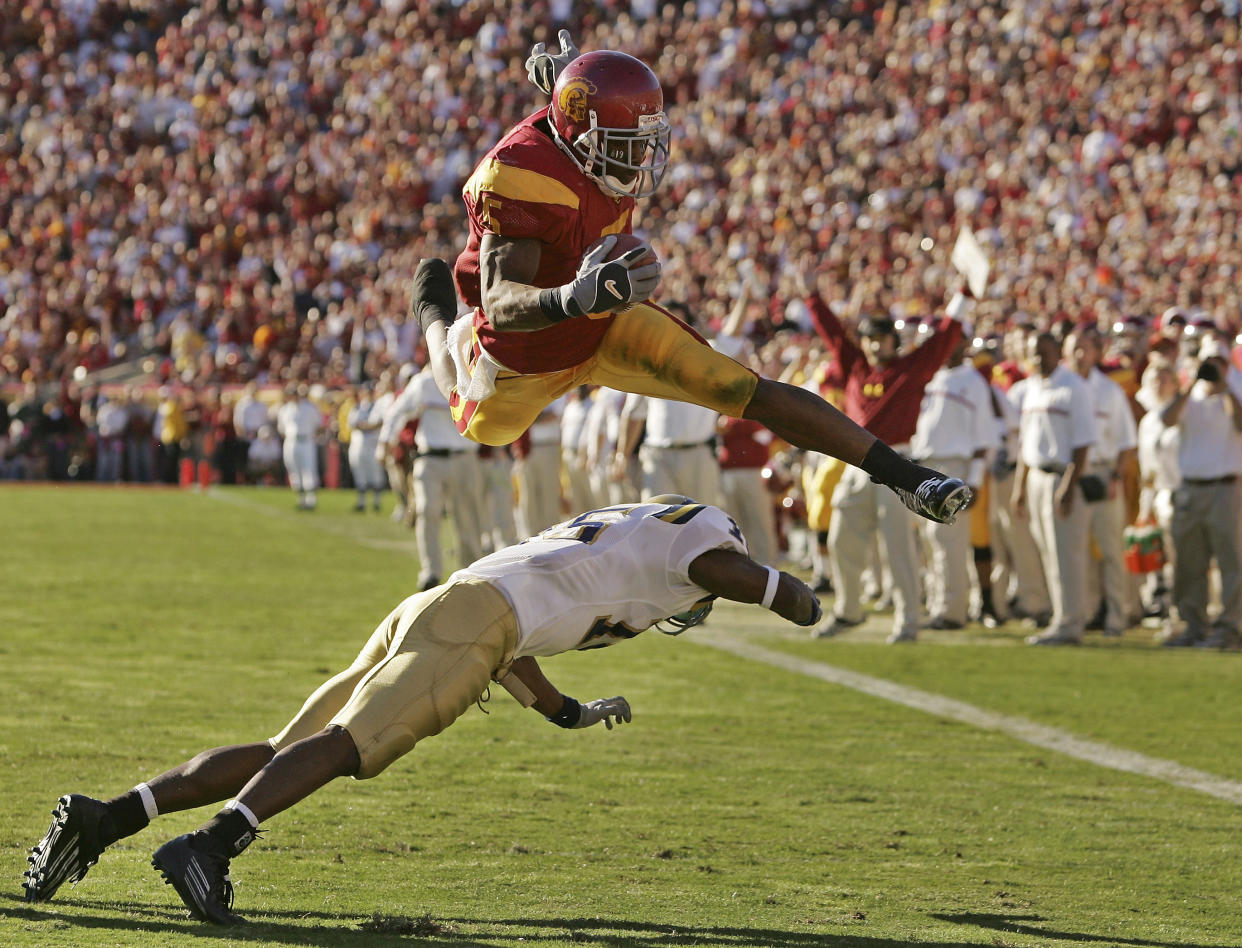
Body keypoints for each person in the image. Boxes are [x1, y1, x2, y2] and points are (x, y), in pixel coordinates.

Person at [22, 496, 821, 924]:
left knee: (285, 749)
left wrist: (565, 713)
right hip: (475, 621)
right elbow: (730, 571)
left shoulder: (616, 534)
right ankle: (210, 848)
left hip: (445, 605)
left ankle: (106, 820)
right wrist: (795, 597)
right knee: (352, 745)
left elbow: (521, 638)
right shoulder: (698, 544)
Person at [408, 44, 970, 528]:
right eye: (624, 140)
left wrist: (566, 82)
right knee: (480, 421)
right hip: (519, 358)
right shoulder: (520, 173)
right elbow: (503, 303)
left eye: (643, 138)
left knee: (740, 387)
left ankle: (908, 478)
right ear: (581, 131)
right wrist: (577, 296)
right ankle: (434, 319)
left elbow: (568, 112)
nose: (639, 155)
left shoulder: (580, 132)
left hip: (602, 322)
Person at [804, 284, 975, 643]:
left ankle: (908, 619)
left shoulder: (909, 370)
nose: (874, 344)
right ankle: (850, 611)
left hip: (896, 464)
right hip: (853, 465)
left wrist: (963, 296)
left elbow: (942, 340)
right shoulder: (855, 367)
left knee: (898, 547)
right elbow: (834, 335)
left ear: (893, 342)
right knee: (840, 540)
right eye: (868, 338)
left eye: (881, 338)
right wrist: (812, 297)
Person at [1011, 332, 1097, 645]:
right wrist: (1019, 487)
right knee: (1048, 553)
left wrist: (1069, 487)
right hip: (1035, 476)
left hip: (1062, 477)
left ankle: (1071, 623)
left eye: (1044, 353)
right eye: (1034, 353)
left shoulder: (1074, 386)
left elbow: (1084, 442)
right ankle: (1060, 618)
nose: (1038, 359)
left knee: (1066, 555)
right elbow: (1025, 443)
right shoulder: (1031, 387)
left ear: (1058, 352)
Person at [909, 332, 998, 629]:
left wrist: (973, 479)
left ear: (964, 344)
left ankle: (952, 610)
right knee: (930, 543)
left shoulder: (973, 381)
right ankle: (938, 605)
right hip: (925, 465)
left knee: (949, 542)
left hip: (954, 467)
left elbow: (984, 439)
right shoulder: (930, 376)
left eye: (953, 341)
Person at [1158, 338, 1242, 648]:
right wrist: (1191, 382)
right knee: (1187, 563)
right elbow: (1165, 419)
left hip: (1225, 488)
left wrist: (1225, 387)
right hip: (1191, 487)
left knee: (1231, 563)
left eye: (1217, 363)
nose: (1211, 368)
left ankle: (1229, 628)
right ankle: (1191, 624)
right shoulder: (1188, 398)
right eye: (1207, 362)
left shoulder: (1236, 392)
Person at [379, 362, 484, 590]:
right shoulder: (424, 382)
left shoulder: (473, 377)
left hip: (464, 457)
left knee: (466, 516)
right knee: (426, 512)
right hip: (430, 457)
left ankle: (471, 571)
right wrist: (385, 440)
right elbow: (398, 409)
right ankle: (431, 572)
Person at [1064, 328, 1139, 636]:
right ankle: (1085, 612)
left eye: (1085, 348)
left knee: (1110, 549)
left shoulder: (1110, 391)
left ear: (1097, 353)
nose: (1080, 355)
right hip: (1068, 475)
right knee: (1075, 550)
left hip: (1102, 472)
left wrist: (1116, 477)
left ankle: (1117, 617)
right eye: (1074, 348)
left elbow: (1127, 442)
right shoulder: (1058, 389)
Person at [275, 384, 322, 511]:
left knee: (308, 469)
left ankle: (311, 500)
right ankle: (301, 499)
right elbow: (282, 429)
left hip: (306, 441)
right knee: (294, 469)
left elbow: (318, 425)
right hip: (291, 442)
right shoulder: (285, 409)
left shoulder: (309, 408)